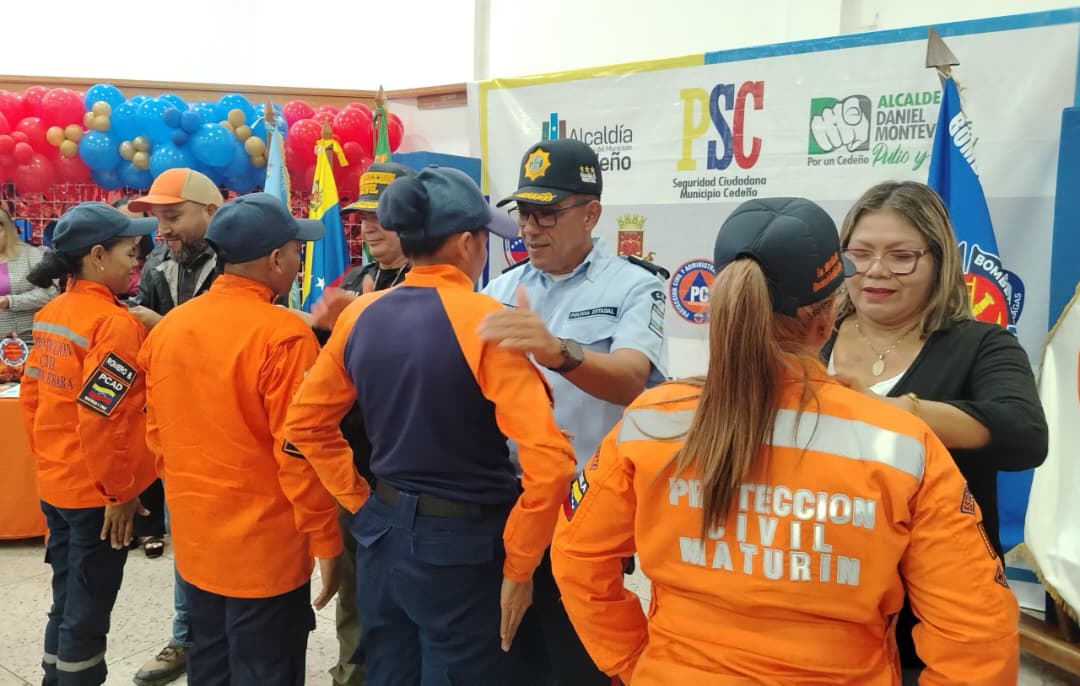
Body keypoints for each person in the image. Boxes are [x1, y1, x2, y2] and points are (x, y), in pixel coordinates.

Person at [550, 196, 1021, 684]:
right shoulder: (902, 444)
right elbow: (978, 636)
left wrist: (631, 661)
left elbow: (577, 560)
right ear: (826, 318)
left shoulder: (652, 421)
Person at [284, 166, 576, 684]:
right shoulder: (486, 322)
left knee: (389, 671)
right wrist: (519, 567)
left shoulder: (360, 315)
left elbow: (305, 425)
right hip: (461, 549)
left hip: (382, 532)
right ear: (466, 244)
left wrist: (358, 501)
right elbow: (550, 462)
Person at [821, 180, 1047, 676]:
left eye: (902, 256)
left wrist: (895, 412)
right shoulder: (814, 332)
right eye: (859, 254)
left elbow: (1025, 433)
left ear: (939, 260)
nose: (876, 271)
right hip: (825, 588)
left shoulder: (982, 344)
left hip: (936, 598)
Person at [479, 138, 667, 685]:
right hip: (508, 507)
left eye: (546, 214)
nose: (530, 228)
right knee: (514, 658)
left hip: (584, 514)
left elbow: (634, 380)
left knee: (580, 664)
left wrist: (558, 351)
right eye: (524, 213)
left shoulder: (636, 285)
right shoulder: (500, 288)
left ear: (591, 213)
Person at [138, 192, 341, 685]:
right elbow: (300, 451)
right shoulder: (282, 337)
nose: (299, 259)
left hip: (197, 544)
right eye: (297, 250)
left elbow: (156, 433)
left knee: (209, 664)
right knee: (267, 668)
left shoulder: (170, 328)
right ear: (276, 259)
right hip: (265, 555)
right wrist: (326, 540)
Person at [19, 202, 159, 685]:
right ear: (97, 256)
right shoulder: (116, 326)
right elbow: (102, 419)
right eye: (130, 252)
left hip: (57, 485)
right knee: (88, 608)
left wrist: (50, 465)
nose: (136, 263)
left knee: (66, 597)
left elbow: (31, 401)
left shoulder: (53, 313)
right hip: (94, 497)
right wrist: (119, 493)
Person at [309, 160, 416, 686]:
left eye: (380, 216)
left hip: (410, 475)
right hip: (351, 467)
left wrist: (369, 315)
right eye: (361, 217)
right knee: (354, 586)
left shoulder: (433, 280)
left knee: (409, 592)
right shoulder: (351, 279)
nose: (367, 227)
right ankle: (352, 673)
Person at [124, 167, 223, 686]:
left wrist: (165, 330)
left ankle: (218, 636)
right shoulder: (161, 265)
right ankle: (187, 637)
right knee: (180, 533)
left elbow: (243, 346)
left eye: (172, 216)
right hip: (176, 428)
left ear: (210, 211)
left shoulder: (243, 262)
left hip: (230, 431)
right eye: (158, 219)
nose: (161, 230)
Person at [0, 204, 57, 344]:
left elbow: (50, 295)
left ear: (6, 230)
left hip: (26, 343)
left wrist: (9, 301)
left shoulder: (33, 256)